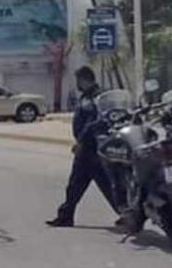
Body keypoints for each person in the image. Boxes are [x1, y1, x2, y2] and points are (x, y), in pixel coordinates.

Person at [47, 66, 119, 227]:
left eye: (78, 80)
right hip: (92, 147)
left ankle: (66, 216)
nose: (77, 84)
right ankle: (126, 213)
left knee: (79, 185)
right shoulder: (90, 96)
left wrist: (81, 142)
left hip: (90, 148)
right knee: (99, 184)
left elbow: (93, 123)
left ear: (84, 79)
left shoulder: (94, 97)